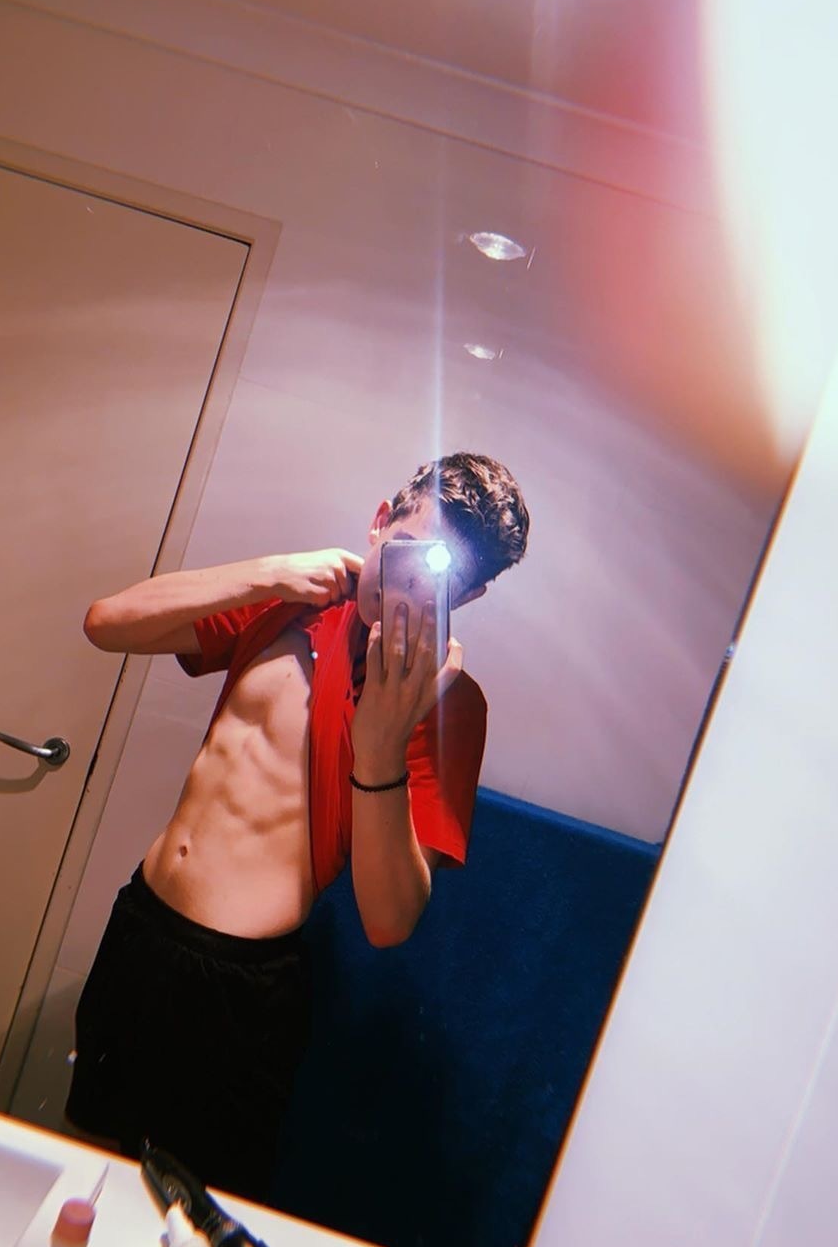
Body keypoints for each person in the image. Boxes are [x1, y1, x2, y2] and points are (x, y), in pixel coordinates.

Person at [64, 452, 529, 1201]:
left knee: (183, 1229)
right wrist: (268, 573)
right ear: (380, 522)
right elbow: (106, 624)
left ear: (469, 594)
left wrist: (382, 743)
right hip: (142, 927)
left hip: (241, 988)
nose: (415, 586)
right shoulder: (291, 602)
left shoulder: (448, 703)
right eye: (411, 552)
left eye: (444, 579)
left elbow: (389, 921)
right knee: (76, 1176)